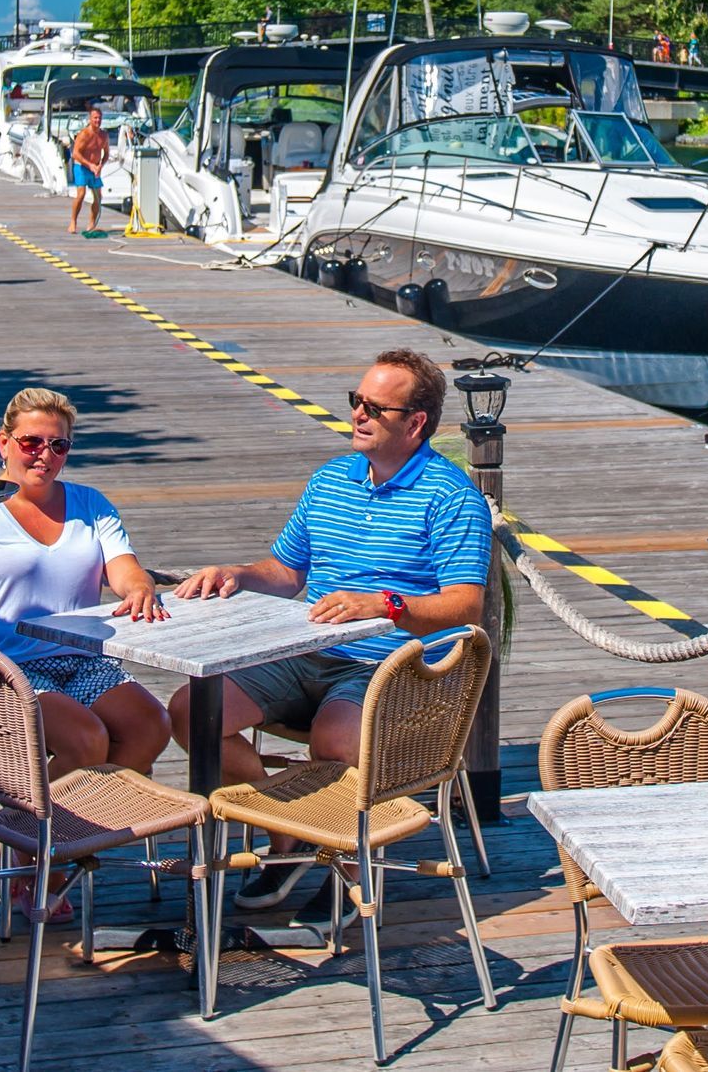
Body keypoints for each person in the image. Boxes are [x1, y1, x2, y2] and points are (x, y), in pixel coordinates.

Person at [171, 348, 490, 912]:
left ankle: (331, 855)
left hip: (389, 662)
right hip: (305, 647)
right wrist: (237, 574)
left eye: (375, 408)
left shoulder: (450, 495)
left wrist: (385, 606)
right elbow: (286, 571)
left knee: (336, 739)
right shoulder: (331, 479)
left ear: (415, 424)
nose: (358, 415)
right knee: (191, 710)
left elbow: (465, 605)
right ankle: (288, 835)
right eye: (356, 401)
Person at [0, 386, 170, 910]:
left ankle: (69, 842)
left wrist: (139, 586)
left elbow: (123, 568)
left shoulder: (90, 504)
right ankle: (35, 860)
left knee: (151, 726)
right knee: (85, 740)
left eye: (59, 446)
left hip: (79, 658)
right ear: (3, 443)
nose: (45, 456)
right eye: (32, 442)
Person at [68, 105, 110, 236]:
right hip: (81, 167)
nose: (97, 120)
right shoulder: (84, 134)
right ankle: (73, 221)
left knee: (98, 197)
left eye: (99, 118)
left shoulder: (104, 135)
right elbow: (75, 154)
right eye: (95, 118)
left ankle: (91, 223)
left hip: (95, 169)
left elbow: (106, 153)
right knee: (81, 194)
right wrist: (89, 165)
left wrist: (100, 165)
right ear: (90, 119)